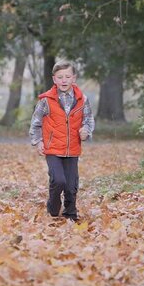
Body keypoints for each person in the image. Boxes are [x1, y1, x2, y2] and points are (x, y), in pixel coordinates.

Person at [29, 60, 95, 221]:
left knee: (71, 185)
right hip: (52, 148)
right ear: (54, 79)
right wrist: (38, 142)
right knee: (58, 180)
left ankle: (70, 213)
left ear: (74, 78)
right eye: (60, 77)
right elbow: (35, 123)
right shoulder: (46, 101)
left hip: (72, 148)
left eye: (67, 76)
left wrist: (86, 131)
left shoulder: (82, 100)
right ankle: (53, 207)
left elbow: (88, 119)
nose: (64, 80)